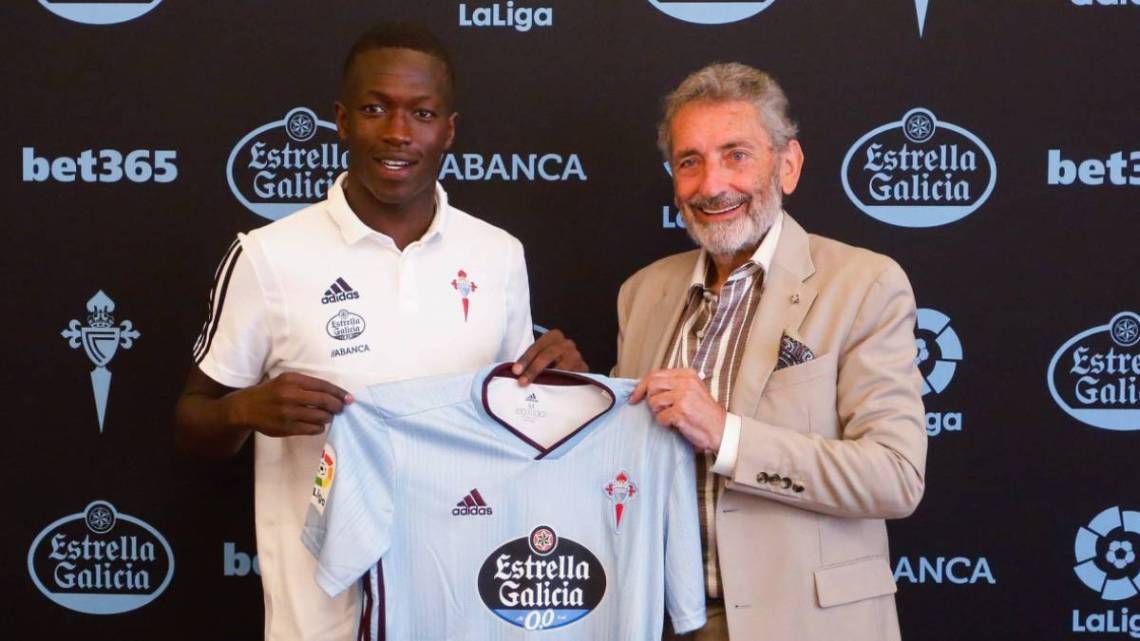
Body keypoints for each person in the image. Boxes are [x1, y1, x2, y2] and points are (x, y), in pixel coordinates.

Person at [174, 22, 585, 641]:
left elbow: (519, 427)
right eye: (375, 109)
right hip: (322, 621)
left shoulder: (498, 253)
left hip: (466, 612)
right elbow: (191, 421)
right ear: (341, 121)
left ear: (449, 130)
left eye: (422, 113)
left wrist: (560, 387)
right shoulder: (267, 256)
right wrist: (243, 411)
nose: (398, 132)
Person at [615, 63, 927, 641]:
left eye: (736, 155)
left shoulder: (864, 284)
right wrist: (568, 398)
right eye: (689, 162)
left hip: (808, 625)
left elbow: (895, 476)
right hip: (664, 621)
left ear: (788, 165)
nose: (711, 185)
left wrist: (727, 435)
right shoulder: (642, 294)